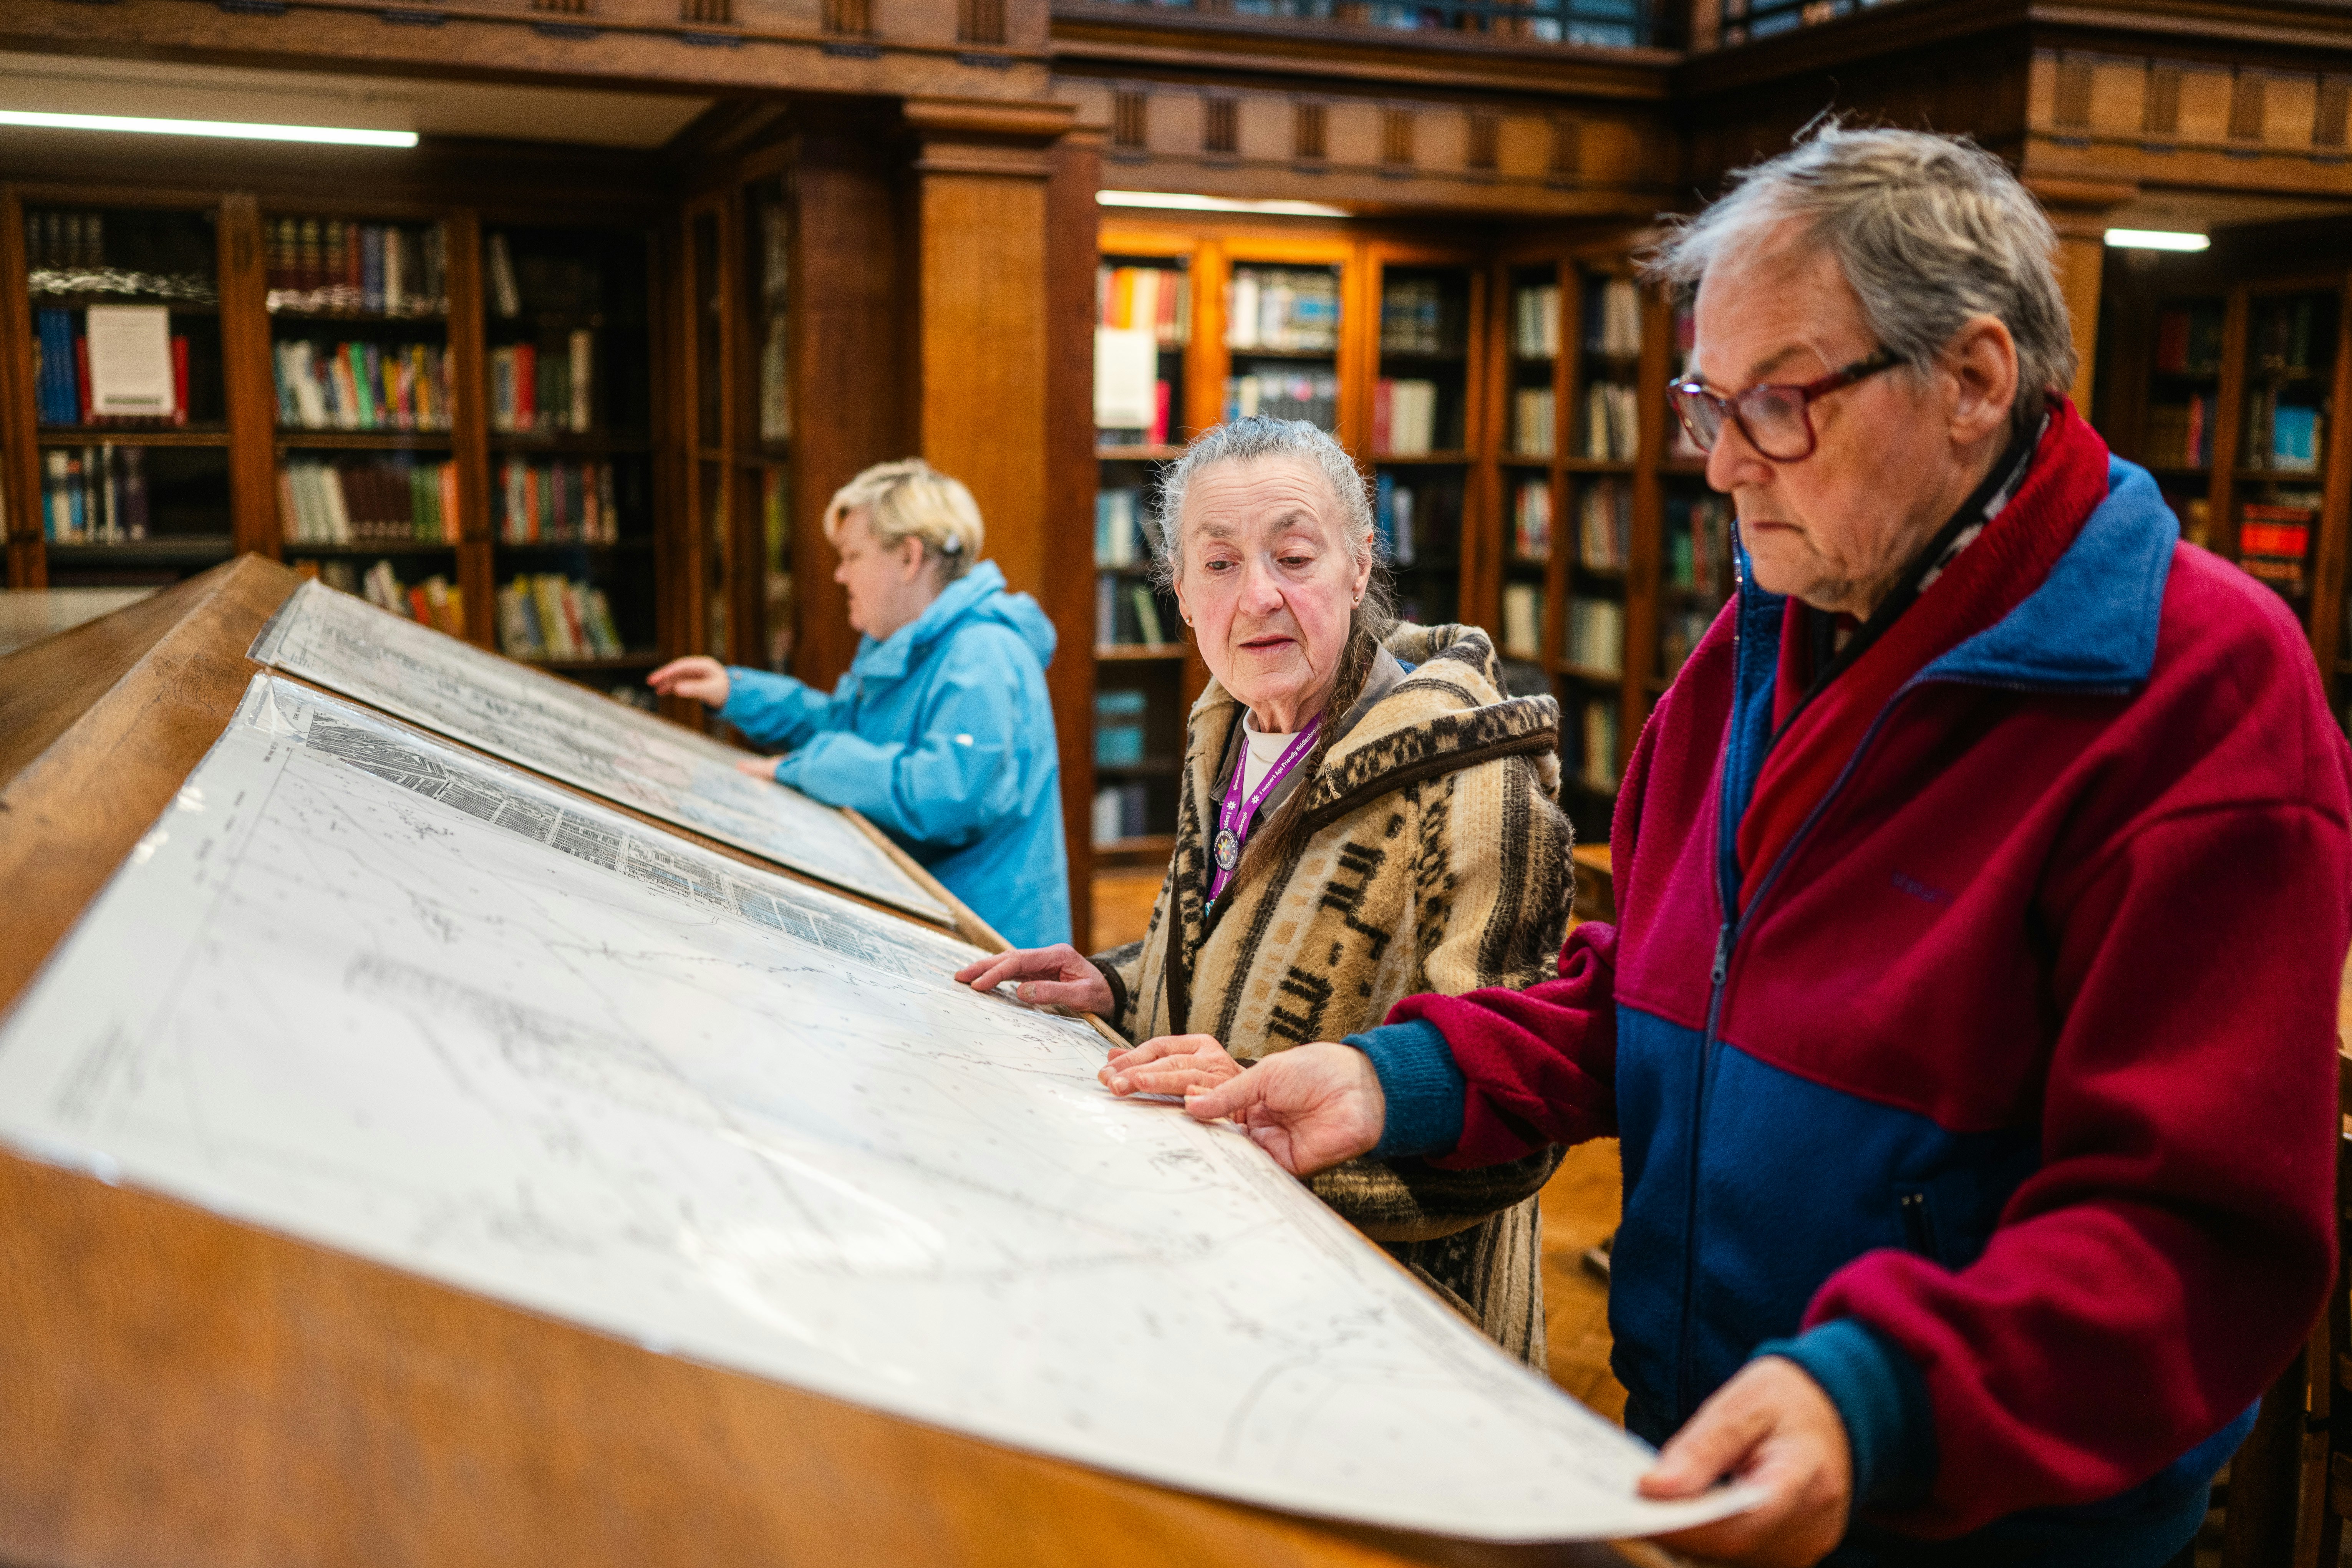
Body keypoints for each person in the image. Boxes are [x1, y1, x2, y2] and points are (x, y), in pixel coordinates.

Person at [1180, 127, 2352, 1567]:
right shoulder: (1770, 630)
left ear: (1973, 382)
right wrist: (1390, 1076)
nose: (1722, 464)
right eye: (1704, 404)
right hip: (1699, 1437)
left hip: (1964, 1506)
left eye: (1777, 404)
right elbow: (1660, 992)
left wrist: (1876, 1397)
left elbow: (2192, 1234)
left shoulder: (2199, 686)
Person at [955, 416, 1574, 1365]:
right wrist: (1118, 981)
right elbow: (1232, 944)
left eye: (1292, 555)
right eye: (1217, 565)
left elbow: (1516, 1102)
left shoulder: (1476, 779)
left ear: (1358, 566)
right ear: (1179, 592)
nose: (1258, 598)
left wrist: (1286, 1123)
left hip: (1391, 1325)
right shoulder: (1228, 728)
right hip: (1217, 1270)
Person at [651, 459, 1070, 948]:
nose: (839, 575)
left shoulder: (984, 653)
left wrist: (806, 767)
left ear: (909, 558)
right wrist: (737, 693)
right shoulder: (907, 641)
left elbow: (943, 795)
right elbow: (846, 725)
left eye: (852, 556)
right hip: (935, 922)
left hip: (989, 942)